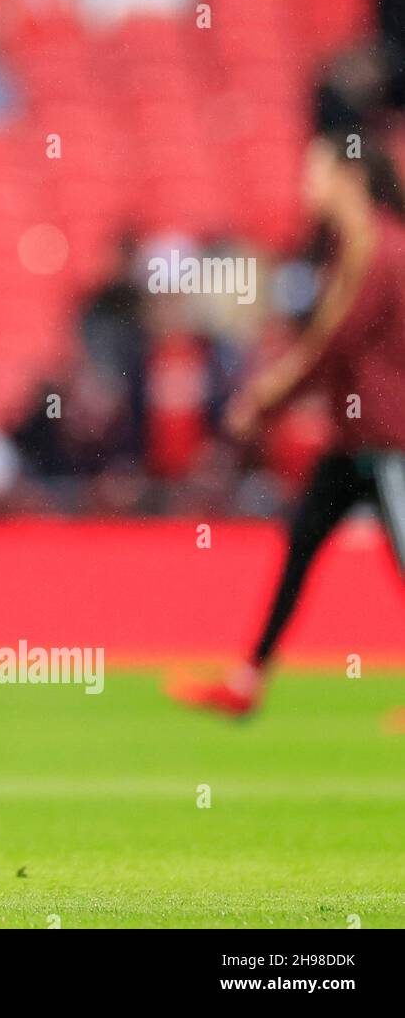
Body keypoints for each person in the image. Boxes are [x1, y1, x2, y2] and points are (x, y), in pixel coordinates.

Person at [168, 133, 405, 717]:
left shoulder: (379, 251)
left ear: (349, 179)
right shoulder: (358, 247)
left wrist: (266, 398)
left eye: (316, 173)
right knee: (300, 546)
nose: (307, 186)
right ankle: (248, 680)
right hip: (358, 440)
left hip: (388, 439)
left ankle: (249, 679)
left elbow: (334, 343)